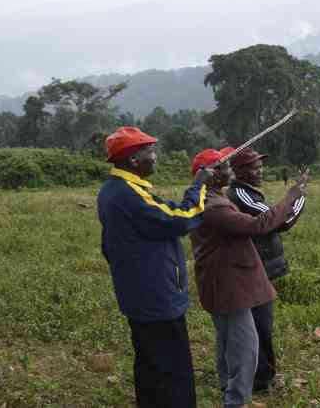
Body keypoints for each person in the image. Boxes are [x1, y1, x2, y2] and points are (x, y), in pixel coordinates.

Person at [97, 127, 213, 408]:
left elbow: (108, 245)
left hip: (138, 293)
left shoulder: (114, 190)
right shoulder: (128, 194)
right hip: (156, 296)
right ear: (134, 161)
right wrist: (199, 185)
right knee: (173, 370)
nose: (155, 157)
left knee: (150, 363)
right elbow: (180, 218)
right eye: (150, 151)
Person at [189, 148, 307, 408]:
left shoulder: (208, 198)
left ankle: (228, 389)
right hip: (231, 286)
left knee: (228, 341)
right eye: (222, 167)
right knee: (245, 347)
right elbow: (259, 225)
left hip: (225, 282)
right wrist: (291, 196)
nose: (228, 170)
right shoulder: (214, 205)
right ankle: (236, 400)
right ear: (208, 175)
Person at [227, 148, 306, 391]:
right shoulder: (242, 195)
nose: (260, 171)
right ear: (239, 172)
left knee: (258, 323)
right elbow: (281, 222)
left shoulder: (247, 193)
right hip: (255, 268)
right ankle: (262, 379)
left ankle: (260, 374)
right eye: (254, 167)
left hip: (258, 267)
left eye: (260, 166)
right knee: (260, 324)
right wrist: (298, 196)